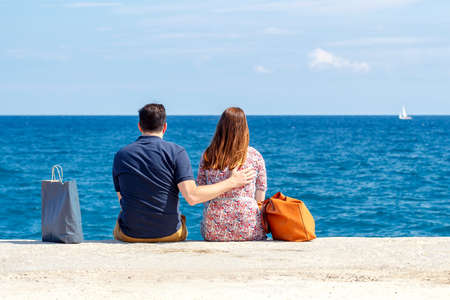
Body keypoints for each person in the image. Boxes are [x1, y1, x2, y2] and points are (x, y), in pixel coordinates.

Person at [112, 104, 255, 242]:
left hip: (130, 234)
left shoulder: (121, 155)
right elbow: (192, 197)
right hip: (169, 234)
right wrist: (232, 182)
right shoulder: (176, 152)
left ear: (139, 126)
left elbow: (122, 200)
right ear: (165, 127)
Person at [197, 107, 267, 241]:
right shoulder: (255, 155)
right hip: (249, 228)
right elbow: (260, 196)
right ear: (244, 129)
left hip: (214, 230)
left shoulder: (209, 155)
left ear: (221, 127)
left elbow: (201, 192)